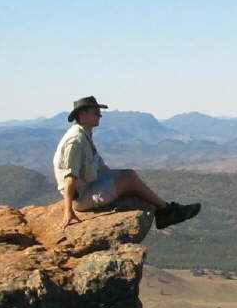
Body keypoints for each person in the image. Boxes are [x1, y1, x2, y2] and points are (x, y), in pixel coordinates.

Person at [53, 96, 201, 230]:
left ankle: (166, 210)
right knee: (130, 181)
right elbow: (69, 179)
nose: (100, 115)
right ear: (82, 114)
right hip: (81, 198)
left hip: (89, 186)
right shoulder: (75, 141)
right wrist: (68, 211)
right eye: (96, 112)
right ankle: (167, 212)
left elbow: (100, 168)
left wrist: (116, 181)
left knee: (129, 174)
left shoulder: (84, 135)